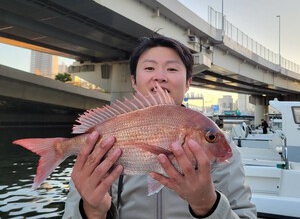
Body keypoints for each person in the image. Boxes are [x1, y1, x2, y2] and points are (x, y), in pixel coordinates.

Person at [63, 35, 257, 219]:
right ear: (134, 82)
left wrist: (207, 206)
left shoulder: (217, 145)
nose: (160, 77)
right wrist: (91, 211)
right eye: (149, 68)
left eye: (172, 69)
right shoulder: (95, 145)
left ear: (189, 82)